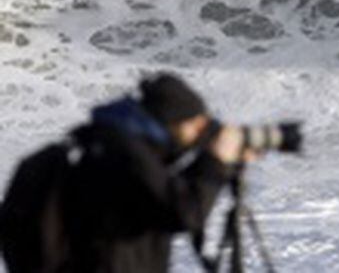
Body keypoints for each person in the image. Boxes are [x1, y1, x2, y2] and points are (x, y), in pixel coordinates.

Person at [0, 73, 301, 273]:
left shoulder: (98, 144)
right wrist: (215, 160)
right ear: (173, 121)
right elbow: (183, 213)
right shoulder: (126, 154)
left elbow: (159, 192)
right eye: (196, 124)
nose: (200, 133)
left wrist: (213, 160)